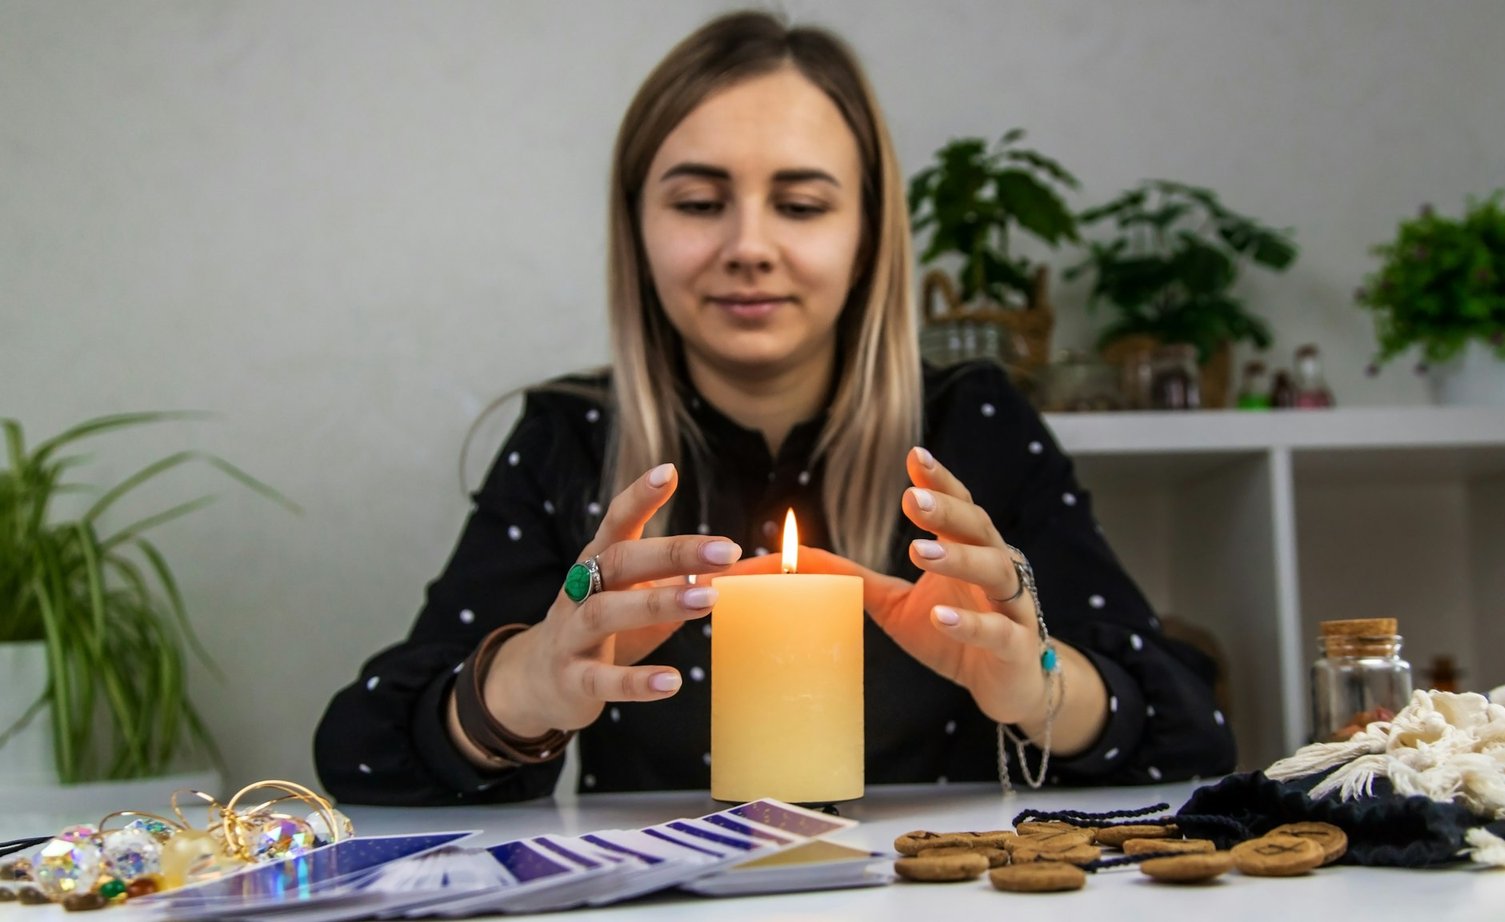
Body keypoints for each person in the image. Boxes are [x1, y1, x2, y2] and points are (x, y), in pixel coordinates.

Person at [314, 9, 1235, 805]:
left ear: (868, 229)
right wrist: (524, 687)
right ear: (637, 227)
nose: (750, 246)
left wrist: (1035, 685)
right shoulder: (572, 436)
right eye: (700, 201)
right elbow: (364, 751)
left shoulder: (971, 423)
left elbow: (1197, 734)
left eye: (799, 204)